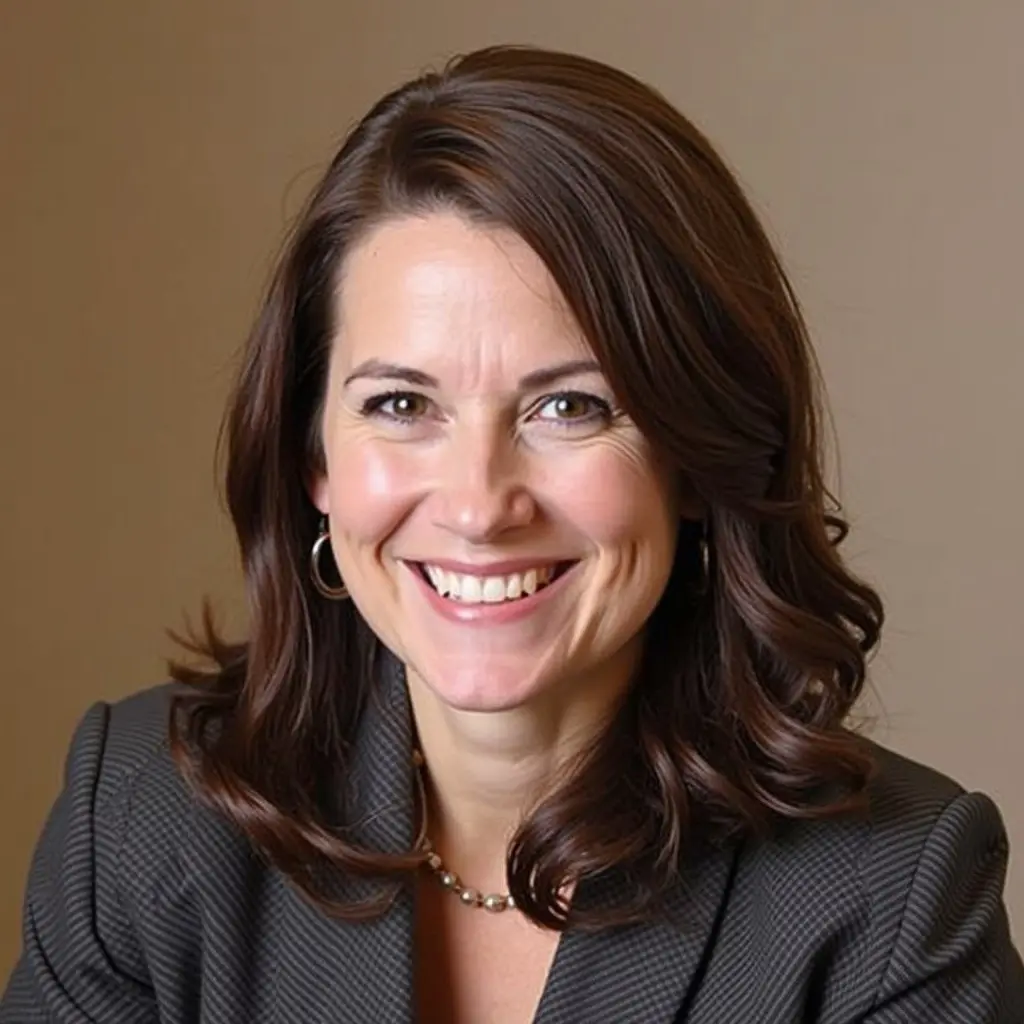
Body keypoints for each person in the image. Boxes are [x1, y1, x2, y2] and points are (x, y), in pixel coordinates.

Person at [2, 44, 1022, 1024]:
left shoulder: (892, 897)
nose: (480, 504)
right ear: (313, 460)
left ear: (699, 459)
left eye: (569, 408)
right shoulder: (139, 814)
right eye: (402, 405)